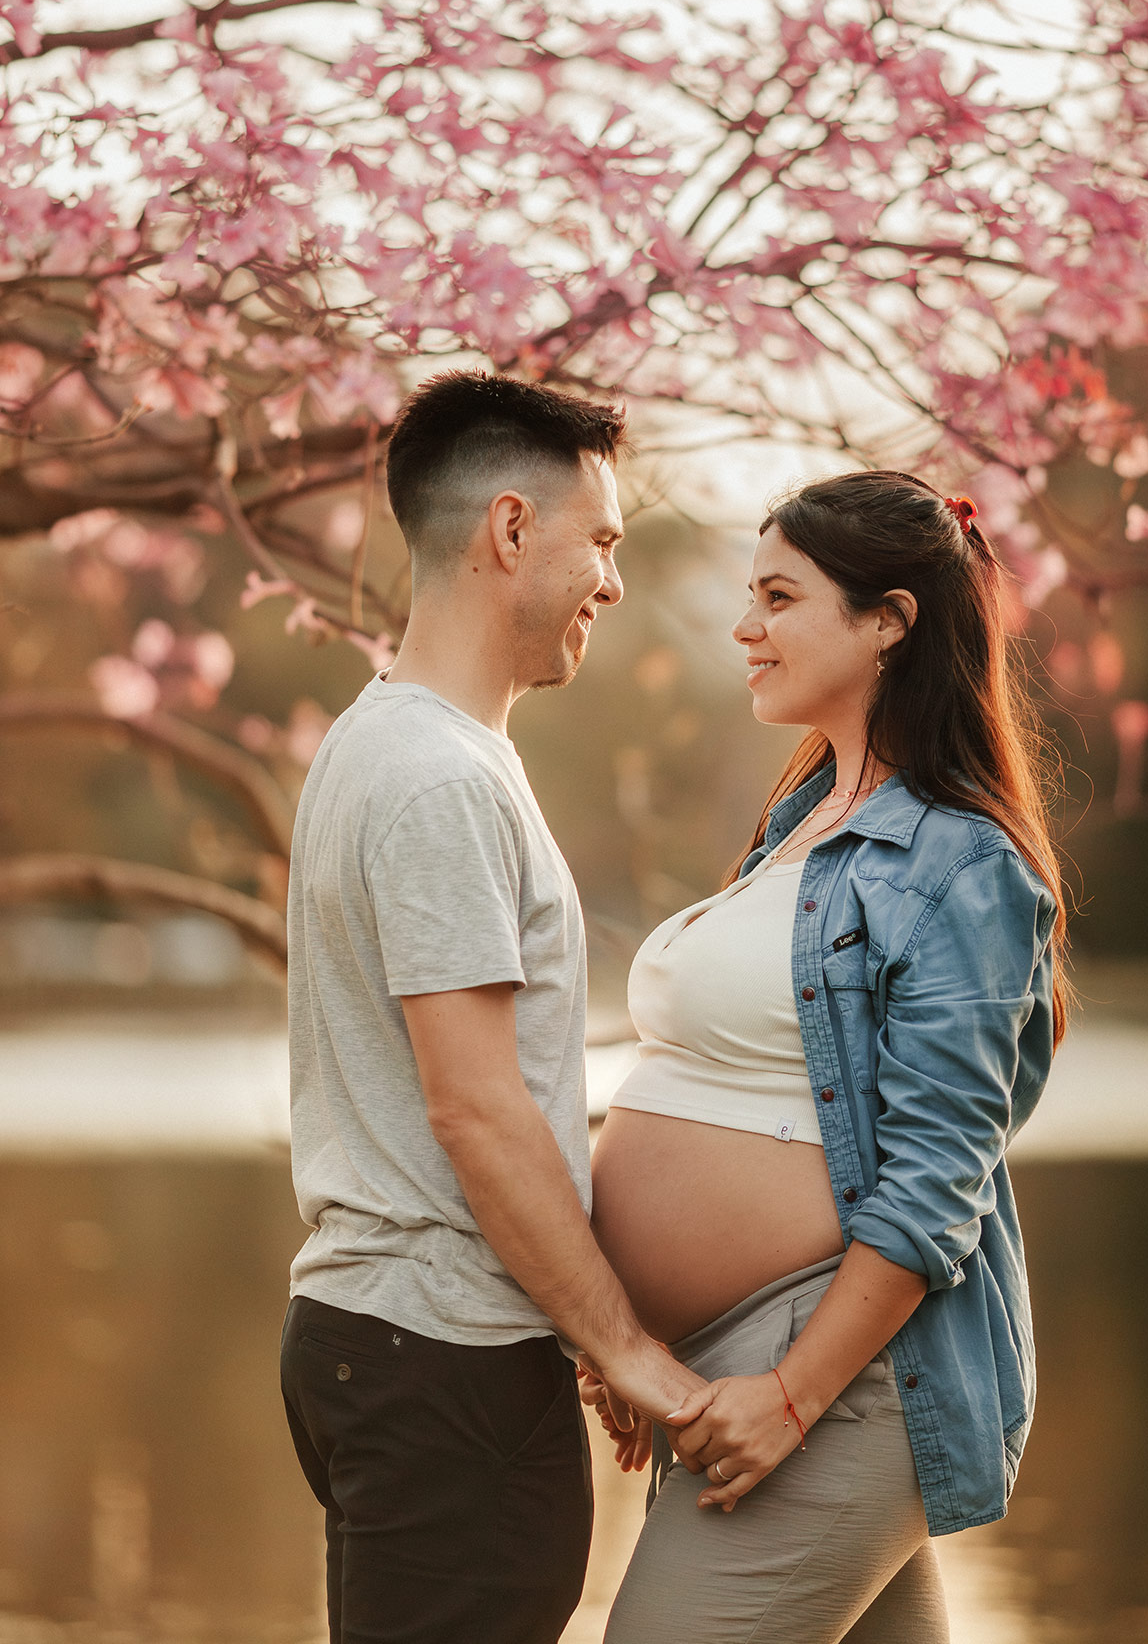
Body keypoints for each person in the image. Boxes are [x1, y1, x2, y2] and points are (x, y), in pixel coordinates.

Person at [585, 470, 1074, 1644]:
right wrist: (631, 1337)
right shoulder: (801, 812)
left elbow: (930, 1190)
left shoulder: (960, 863)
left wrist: (788, 1396)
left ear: (886, 622)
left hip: (837, 1377)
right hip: (740, 1365)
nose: (743, 628)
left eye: (777, 597)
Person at [279, 370, 711, 1644]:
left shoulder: (387, 743)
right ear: (510, 531)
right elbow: (477, 1111)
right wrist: (622, 1346)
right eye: (602, 542)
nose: (614, 583)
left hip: (396, 1345)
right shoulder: (436, 780)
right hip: (442, 1360)